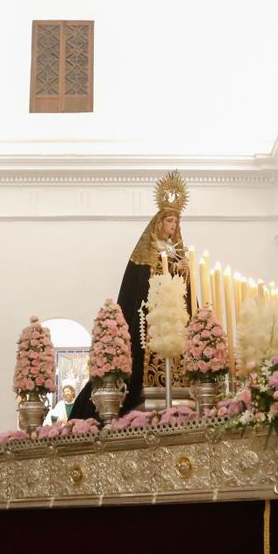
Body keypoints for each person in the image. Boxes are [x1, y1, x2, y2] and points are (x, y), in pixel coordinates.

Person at [71, 172, 191, 418]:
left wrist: (185, 272)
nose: (174, 226)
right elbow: (138, 288)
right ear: (159, 223)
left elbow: (186, 290)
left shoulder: (179, 252)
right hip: (153, 318)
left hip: (175, 319)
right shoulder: (147, 251)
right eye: (170, 221)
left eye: (176, 222)